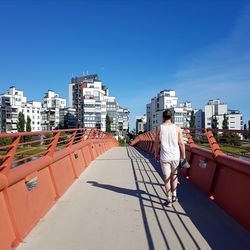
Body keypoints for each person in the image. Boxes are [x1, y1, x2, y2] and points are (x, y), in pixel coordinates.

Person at [154, 109, 186, 207]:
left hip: (165, 156)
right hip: (175, 156)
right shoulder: (177, 128)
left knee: (166, 177)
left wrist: (156, 153)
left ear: (163, 117)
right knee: (174, 176)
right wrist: (183, 156)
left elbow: (156, 143)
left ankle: (168, 199)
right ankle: (174, 195)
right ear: (172, 117)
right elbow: (181, 143)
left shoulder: (159, 128)